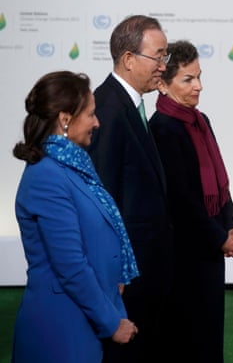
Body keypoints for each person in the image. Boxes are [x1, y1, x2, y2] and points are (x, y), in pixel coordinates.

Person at [12, 71, 139, 362]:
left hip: (81, 319)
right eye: (91, 114)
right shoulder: (47, 176)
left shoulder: (74, 169)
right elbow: (70, 265)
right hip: (60, 328)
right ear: (65, 119)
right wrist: (111, 322)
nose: (97, 122)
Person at [149, 40, 233, 362]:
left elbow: (221, 183)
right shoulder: (162, 129)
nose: (199, 86)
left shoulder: (201, 121)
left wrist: (231, 227)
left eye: (199, 77)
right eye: (188, 80)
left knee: (208, 339)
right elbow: (181, 199)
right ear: (162, 84)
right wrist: (220, 238)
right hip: (183, 256)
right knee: (186, 341)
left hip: (209, 250)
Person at [88, 15, 175, 362]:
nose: (163, 66)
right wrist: (114, 272)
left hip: (144, 272)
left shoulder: (130, 104)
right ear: (128, 59)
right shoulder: (107, 109)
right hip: (127, 277)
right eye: (158, 57)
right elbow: (103, 199)